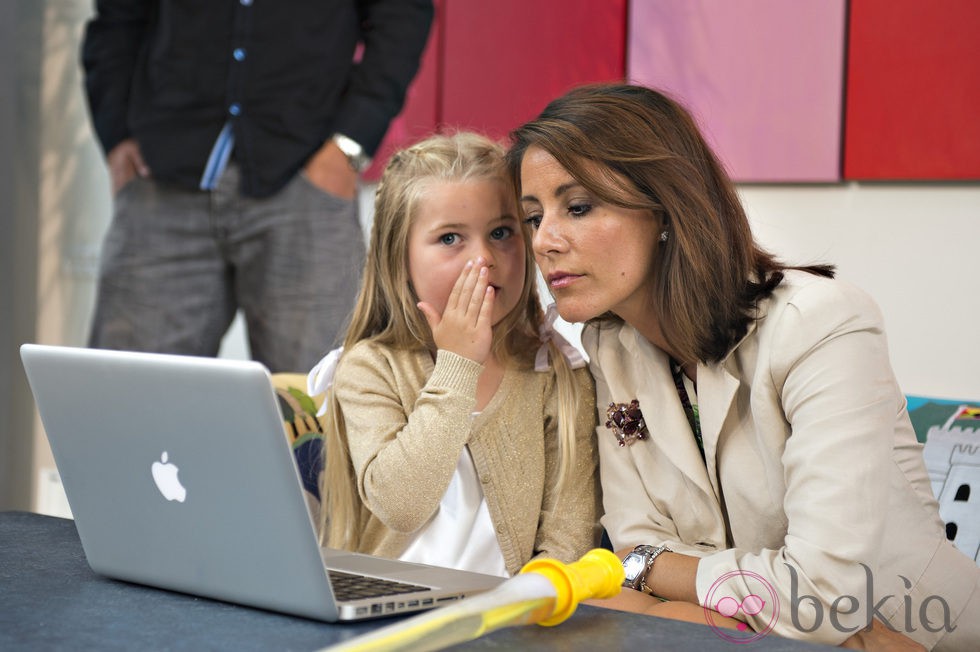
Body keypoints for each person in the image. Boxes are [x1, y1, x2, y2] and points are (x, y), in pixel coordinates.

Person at [507, 83, 979, 649]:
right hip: (766, 637)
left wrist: (663, 573)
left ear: (664, 209)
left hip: (916, 635)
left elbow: (820, 595)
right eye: (534, 217)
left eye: (578, 207)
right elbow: (635, 548)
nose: (544, 242)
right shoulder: (610, 344)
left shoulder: (823, 323)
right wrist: (723, 597)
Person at [81, 1, 433, 372]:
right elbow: (117, 18)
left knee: (320, 409)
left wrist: (348, 144)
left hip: (305, 180)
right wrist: (116, 134)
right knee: (128, 397)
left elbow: (402, 14)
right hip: (163, 180)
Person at [308, 132, 601, 577]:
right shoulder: (369, 367)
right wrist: (459, 367)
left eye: (502, 232)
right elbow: (401, 505)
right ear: (399, 260)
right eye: (450, 239)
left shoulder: (558, 374)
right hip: (390, 618)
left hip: (513, 622)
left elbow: (569, 537)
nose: (483, 258)